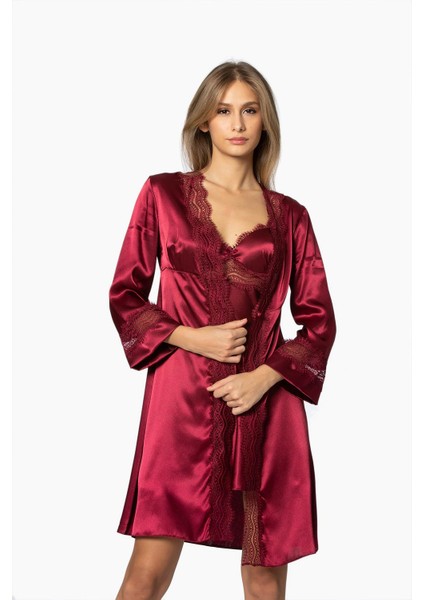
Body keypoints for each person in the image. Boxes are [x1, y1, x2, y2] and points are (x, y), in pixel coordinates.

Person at [109, 60, 337, 600]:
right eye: (224, 110)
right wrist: (190, 337)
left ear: (265, 122)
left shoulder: (291, 217)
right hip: (179, 402)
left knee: (264, 578)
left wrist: (264, 377)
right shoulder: (162, 194)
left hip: (267, 405)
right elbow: (125, 294)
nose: (237, 124)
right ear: (204, 122)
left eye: (249, 111)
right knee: (147, 573)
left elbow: (319, 321)